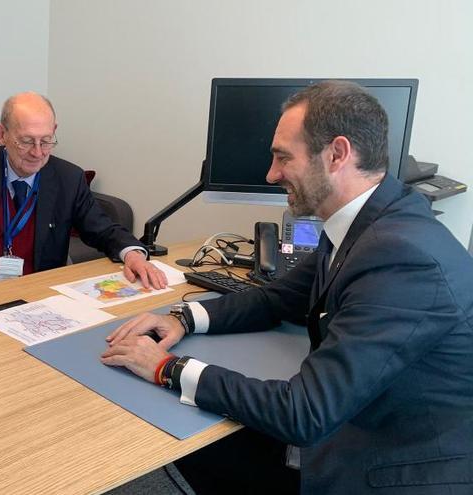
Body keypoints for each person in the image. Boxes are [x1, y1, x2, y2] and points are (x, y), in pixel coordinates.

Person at [101, 81, 473, 494]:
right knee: (206, 445)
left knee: (202, 447)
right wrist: (184, 318)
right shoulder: (369, 219)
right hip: (356, 420)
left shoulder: (403, 258)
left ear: (337, 154)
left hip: (391, 464)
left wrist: (166, 367)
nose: (271, 174)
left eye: (282, 157)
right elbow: (281, 296)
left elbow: (305, 412)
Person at [0, 92, 166, 297]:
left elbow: (102, 229)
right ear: (1, 134)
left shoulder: (68, 178)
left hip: (37, 300)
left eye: (46, 140)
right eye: (26, 141)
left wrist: (133, 254)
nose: (38, 153)